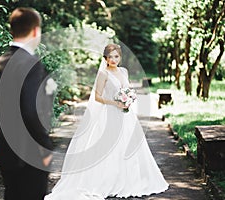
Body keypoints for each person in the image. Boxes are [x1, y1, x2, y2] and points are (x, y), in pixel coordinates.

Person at [45, 44, 169, 200]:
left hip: (126, 114)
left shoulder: (124, 71)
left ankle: (130, 179)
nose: (113, 60)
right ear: (105, 58)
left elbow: (127, 89)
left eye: (116, 56)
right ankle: (107, 180)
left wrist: (128, 98)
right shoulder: (103, 74)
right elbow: (97, 97)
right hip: (109, 113)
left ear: (120, 57)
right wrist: (115, 103)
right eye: (110, 57)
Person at [0, 7, 54, 200]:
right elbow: (29, 110)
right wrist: (45, 147)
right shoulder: (30, 63)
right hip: (30, 153)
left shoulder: (0, 62)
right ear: (35, 31)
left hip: (6, 152)